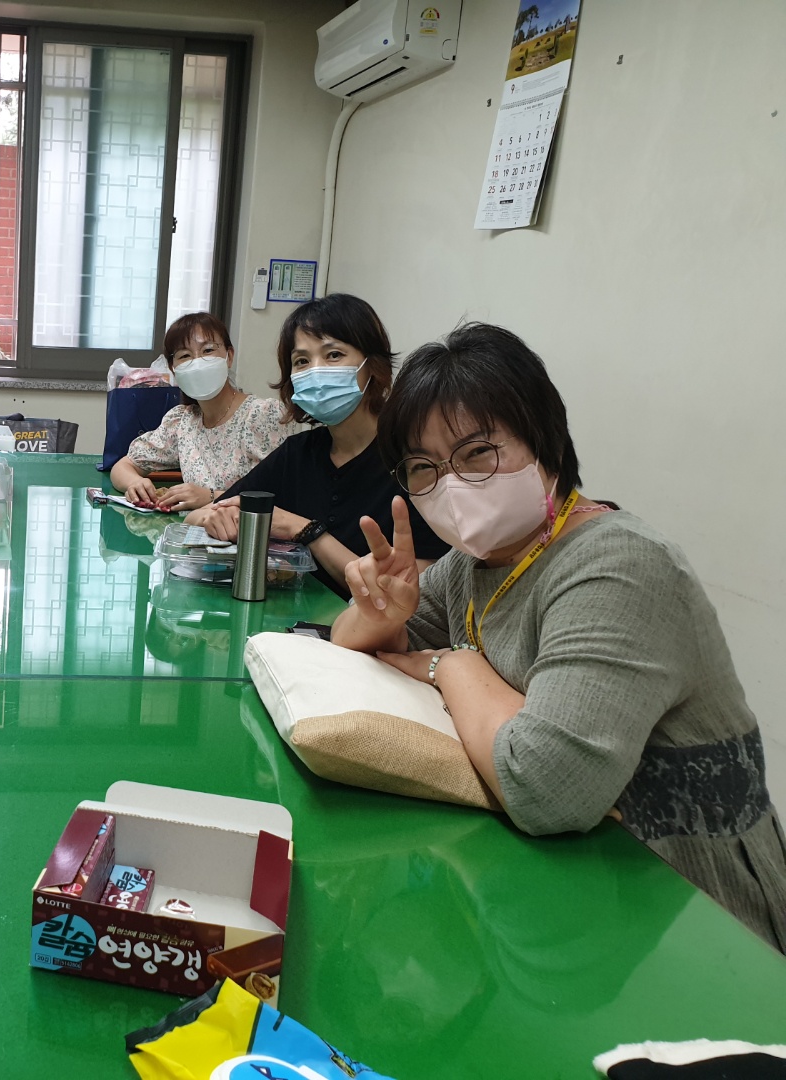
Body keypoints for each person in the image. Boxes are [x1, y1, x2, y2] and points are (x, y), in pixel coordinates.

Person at [332, 322, 786, 950]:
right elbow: (356, 647)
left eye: (477, 452)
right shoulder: (475, 562)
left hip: (686, 906)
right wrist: (379, 610)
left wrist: (451, 666)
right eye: (424, 467)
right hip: (559, 887)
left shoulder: (620, 563)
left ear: (543, 438)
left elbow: (546, 787)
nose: (453, 484)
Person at [186, 294, 449, 598]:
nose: (316, 371)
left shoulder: (414, 460)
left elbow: (413, 592)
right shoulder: (299, 453)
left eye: (334, 355)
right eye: (301, 361)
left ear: (373, 365)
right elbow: (199, 516)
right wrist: (216, 518)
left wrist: (308, 532)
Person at [110, 312, 296, 513]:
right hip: (194, 530)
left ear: (229, 356)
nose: (197, 363)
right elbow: (123, 466)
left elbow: (282, 497)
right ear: (173, 368)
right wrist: (135, 483)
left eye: (208, 350)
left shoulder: (262, 415)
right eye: (185, 356)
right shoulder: (183, 421)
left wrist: (211, 497)